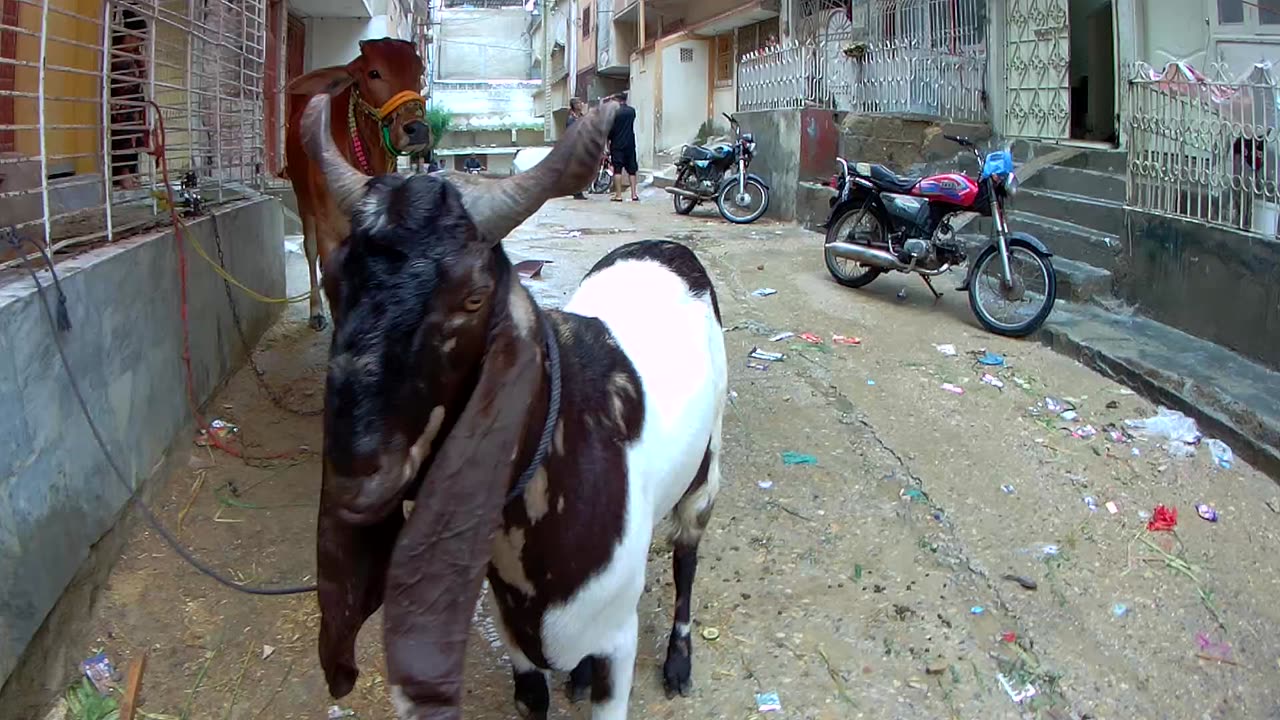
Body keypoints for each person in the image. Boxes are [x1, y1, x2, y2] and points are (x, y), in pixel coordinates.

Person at [607, 92, 639, 202]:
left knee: (617, 169)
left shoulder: (614, 113)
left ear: (617, 100)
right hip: (630, 143)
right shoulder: (632, 111)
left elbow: (610, 129)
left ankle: (618, 195)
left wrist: (608, 140)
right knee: (632, 170)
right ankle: (634, 194)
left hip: (617, 144)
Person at [566, 98, 588, 200]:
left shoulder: (581, 116)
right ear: (574, 106)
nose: (581, 104)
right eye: (579, 103)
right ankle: (576, 191)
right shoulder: (571, 119)